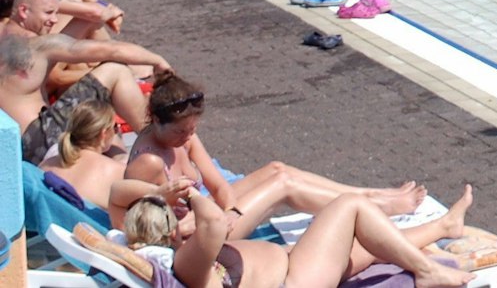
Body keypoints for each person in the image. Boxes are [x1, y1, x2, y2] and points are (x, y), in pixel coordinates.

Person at [124, 72, 427, 236]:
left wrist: (231, 210)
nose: (188, 137)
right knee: (283, 186)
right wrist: (222, 219)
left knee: (278, 169)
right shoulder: (149, 161)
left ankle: (373, 196)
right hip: (197, 236)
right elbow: (142, 225)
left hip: (215, 214)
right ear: (156, 120)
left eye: (192, 130)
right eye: (181, 132)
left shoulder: (183, 138)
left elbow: (217, 185)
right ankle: (374, 208)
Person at [123, 185, 473, 288]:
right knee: (350, 206)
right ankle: (428, 272)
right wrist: (191, 196)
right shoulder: (184, 262)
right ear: (170, 230)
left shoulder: (176, 257)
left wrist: (162, 196)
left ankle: (444, 227)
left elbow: (115, 193)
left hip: (289, 266)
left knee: (358, 247)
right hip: (292, 281)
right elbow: (214, 223)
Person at [1, 0, 171, 164]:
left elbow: (67, 38)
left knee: (97, 114)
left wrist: (93, 18)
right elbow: (113, 50)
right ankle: (158, 144)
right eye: (48, 13)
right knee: (115, 70)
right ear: (24, 11)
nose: (55, 20)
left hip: (17, 141)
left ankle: (121, 161)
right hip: (38, 138)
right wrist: (158, 61)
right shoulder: (37, 44)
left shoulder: (7, 37)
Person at [41, 100, 185, 228]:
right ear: (104, 133)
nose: (118, 132)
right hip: (90, 240)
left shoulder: (48, 162)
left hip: (50, 233)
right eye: (115, 128)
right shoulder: (117, 172)